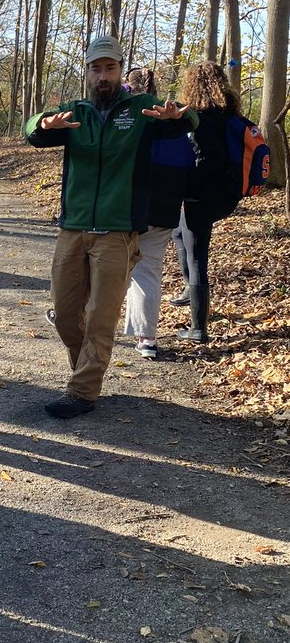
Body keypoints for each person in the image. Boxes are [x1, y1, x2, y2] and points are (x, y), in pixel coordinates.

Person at [25, 36, 196, 419]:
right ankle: (86, 372)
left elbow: (187, 119)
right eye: (96, 68)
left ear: (121, 70)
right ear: (87, 72)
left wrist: (178, 117)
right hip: (73, 226)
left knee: (102, 315)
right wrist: (42, 123)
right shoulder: (76, 112)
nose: (103, 76)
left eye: (110, 68)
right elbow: (33, 131)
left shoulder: (140, 109)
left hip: (118, 231)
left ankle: (83, 391)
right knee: (67, 315)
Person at [122, 68, 195, 359]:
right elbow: (188, 165)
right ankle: (146, 339)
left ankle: (78, 319)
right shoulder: (174, 122)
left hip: (130, 208)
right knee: (147, 269)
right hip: (166, 210)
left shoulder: (130, 120)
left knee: (105, 264)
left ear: (129, 87)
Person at [170, 61, 244, 343]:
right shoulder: (229, 114)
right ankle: (192, 291)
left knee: (197, 255)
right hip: (227, 193)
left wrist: (185, 185)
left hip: (203, 195)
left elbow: (208, 160)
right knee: (179, 233)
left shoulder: (200, 118)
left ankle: (198, 328)